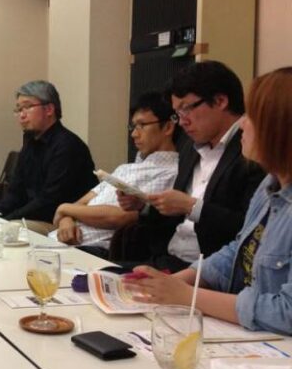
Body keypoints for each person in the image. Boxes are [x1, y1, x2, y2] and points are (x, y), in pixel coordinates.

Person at [125, 67, 292, 336]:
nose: (243, 124)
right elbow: (239, 249)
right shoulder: (269, 186)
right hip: (240, 321)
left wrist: (187, 295)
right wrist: (174, 284)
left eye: (252, 116)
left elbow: (286, 312)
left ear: (280, 128)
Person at [118, 61, 265, 272]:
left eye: (186, 108)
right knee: (94, 277)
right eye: (177, 113)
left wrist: (192, 207)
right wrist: (144, 206)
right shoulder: (189, 146)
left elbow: (251, 229)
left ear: (220, 101)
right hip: (167, 259)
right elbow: (173, 218)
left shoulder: (252, 148)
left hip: (211, 270)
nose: (182, 121)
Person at [50, 91, 179, 258]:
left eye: (142, 125)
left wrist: (64, 208)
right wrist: (66, 220)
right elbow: (79, 203)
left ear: (168, 127)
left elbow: (121, 217)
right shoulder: (125, 168)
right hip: (61, 241)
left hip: (92, 249)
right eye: (133, 127)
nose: (134, 134)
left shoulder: (169, 173)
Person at [0, 80, 97, 233]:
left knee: (5, 231)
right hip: (33, 217)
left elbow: (49, 201)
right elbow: (15, 192)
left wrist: (6, 220)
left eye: (27, 107)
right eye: (18, 109)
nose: (22, 115)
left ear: (49, 109)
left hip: (63, 222)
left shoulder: (67, 146)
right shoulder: (31, 143)